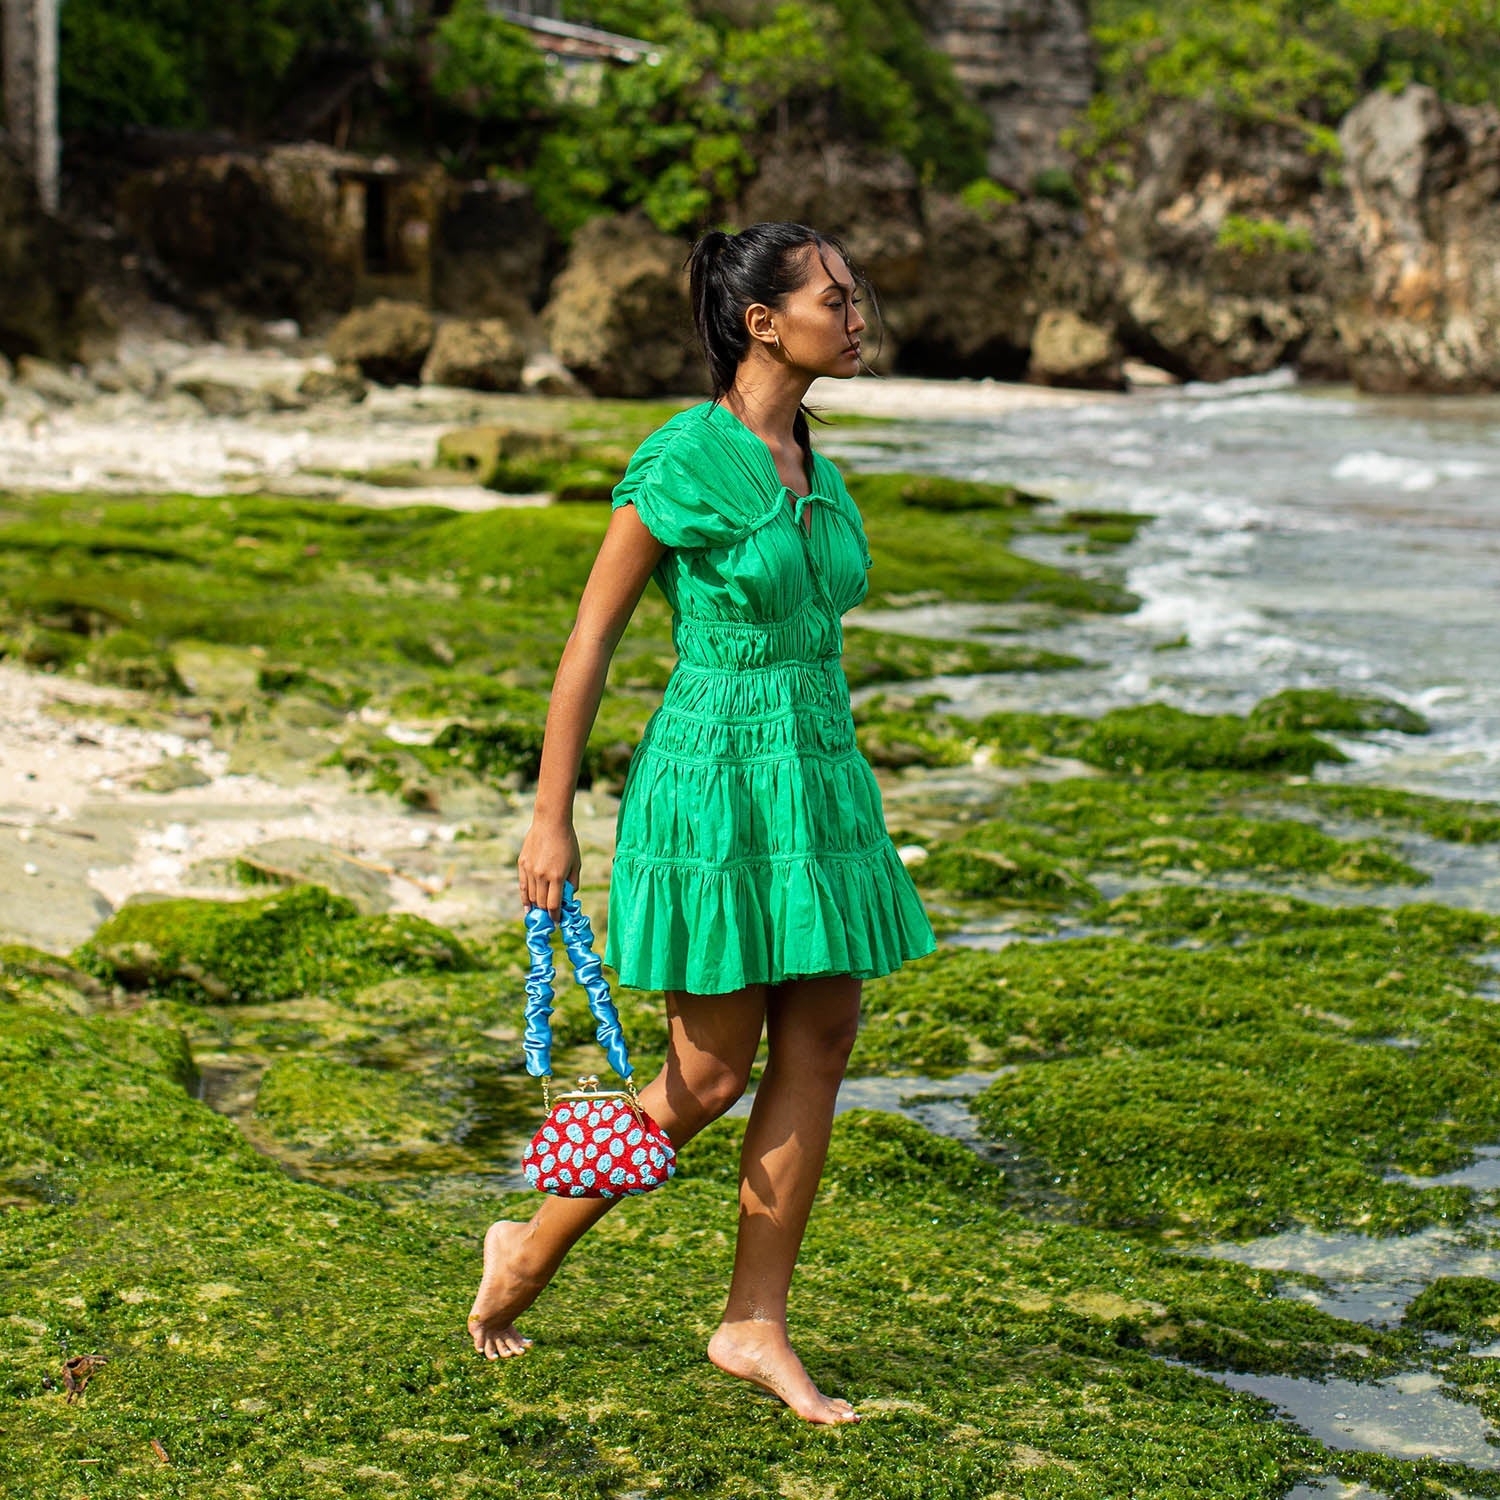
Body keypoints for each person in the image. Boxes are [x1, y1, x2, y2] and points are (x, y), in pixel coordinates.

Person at [467, 221, 936, 1425]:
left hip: (818, 773)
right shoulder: (684, 458)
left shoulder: (812, 464)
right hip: (718, 776)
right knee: (704, 1074)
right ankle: (526, 1242)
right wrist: (550, 819)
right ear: (764, 322)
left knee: (824, 1035)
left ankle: (752, 1323)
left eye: (854, 293)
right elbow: (591, 643)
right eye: (835, 296)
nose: (857, 311)